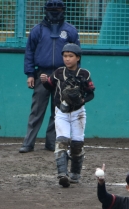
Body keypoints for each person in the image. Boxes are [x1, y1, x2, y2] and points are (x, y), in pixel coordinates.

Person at [19, 0, 80, 154]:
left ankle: (51, 142)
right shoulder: (37, 30)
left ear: (63, 10)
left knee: (58, 110)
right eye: (51, 8)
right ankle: (28, 143)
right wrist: (30, 74)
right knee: (37, 109)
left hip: (62, 75)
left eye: (58, 8)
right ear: (45, 10)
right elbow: (29, 52)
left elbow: (77, 53)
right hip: (42, 74)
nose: (54, 11)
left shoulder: (70, 30)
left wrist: (73, 75)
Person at [40, 43, 95, 187]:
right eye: (65, 56)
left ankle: (75, 174)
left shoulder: (84, 74)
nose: (67, 59)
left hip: (78, 113)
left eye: (71, 56)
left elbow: (91, 94)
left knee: (77, 144)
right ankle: (62, 174)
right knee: (62, 140)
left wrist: (82, 100)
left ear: (78, 58)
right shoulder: (58, 72)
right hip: (61, 112)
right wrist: (44, 81)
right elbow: (49, 86)